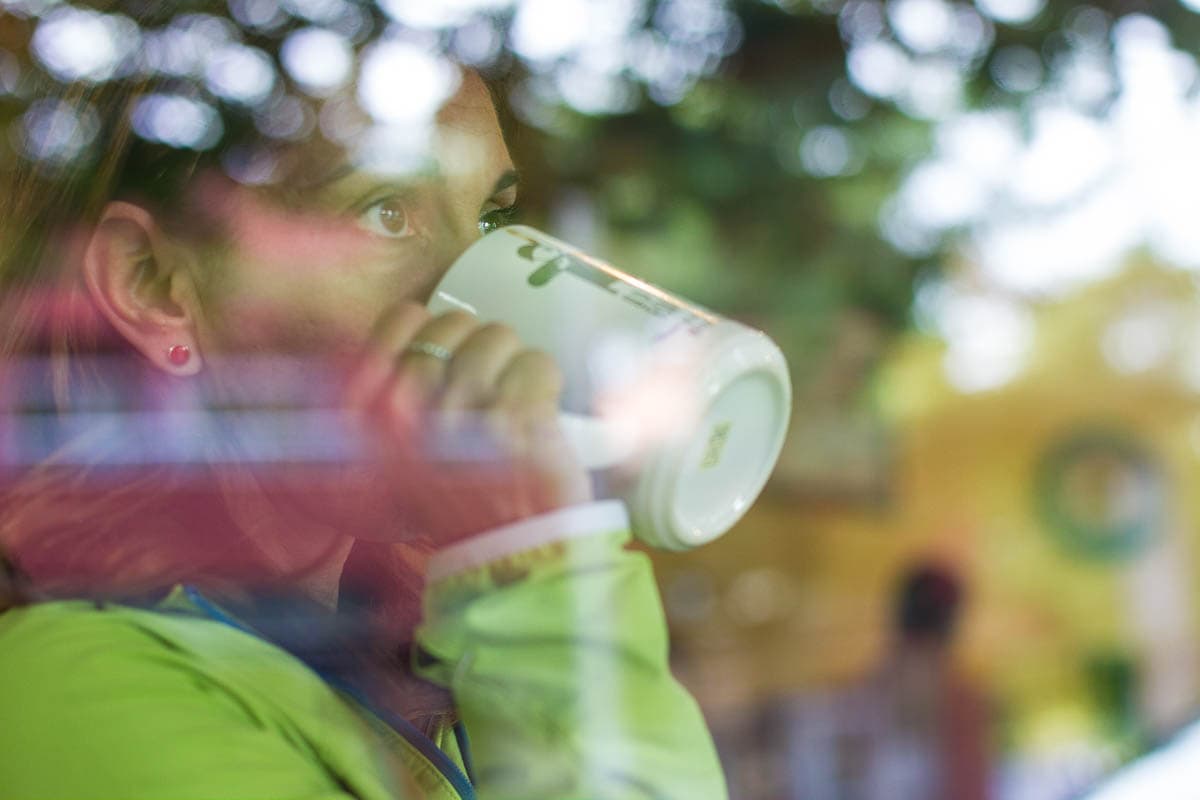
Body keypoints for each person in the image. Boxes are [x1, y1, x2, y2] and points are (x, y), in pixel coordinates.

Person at [0, 12, 727, 799]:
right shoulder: (75, 689)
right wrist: (532, 571)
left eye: (491, 220)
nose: (475, 290)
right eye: (387, 212)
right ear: (152, 285)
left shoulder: (414, 645)